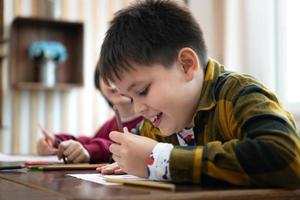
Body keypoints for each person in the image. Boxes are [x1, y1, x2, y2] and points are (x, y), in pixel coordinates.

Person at [97, 0, 300, 188]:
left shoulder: (240, 94)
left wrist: (161, 160)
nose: (138, 108)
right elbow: (130, 148)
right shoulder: (159, 121)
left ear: (186, 65)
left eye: (142, 91)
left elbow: (286, 156)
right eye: (131, 98)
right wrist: (128, 159)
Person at [36, 65, 143, 163]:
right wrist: (57, 142)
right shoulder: (108, 125)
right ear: (98, 84)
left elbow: (123, 149)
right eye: (107, 76)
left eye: (120, 73)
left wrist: (91, 150)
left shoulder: (151, 122)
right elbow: (92, 141)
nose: (114, 83)